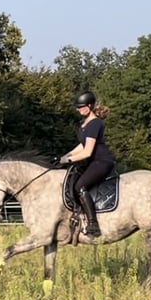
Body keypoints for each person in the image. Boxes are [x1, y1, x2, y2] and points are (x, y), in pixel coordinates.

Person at [59, 91, 115, 237]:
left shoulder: (95, 123)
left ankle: (93, 224)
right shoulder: (86, 124)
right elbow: (82, 145)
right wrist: (65, 156)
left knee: (80, 187)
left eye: (81, 107)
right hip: (94, 161)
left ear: (89, 106)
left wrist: (70, 160)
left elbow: (87, 151)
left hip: (101, 161)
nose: (78, 110)